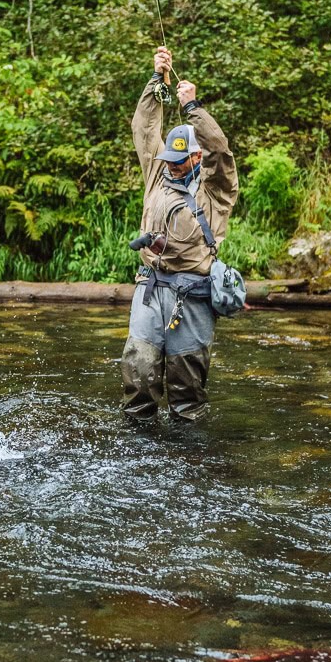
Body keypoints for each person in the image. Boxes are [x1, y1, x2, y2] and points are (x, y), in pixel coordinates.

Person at [121, 46, 239, 422]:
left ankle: (189, 458)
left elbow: (221, 150)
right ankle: (139, 449)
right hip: (151, 287)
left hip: (193, 295)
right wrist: (158, 82)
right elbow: (144, 128)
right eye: (166, 161)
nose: (169, 168)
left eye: (178, 161)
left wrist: (193, 109)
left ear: (196, 157)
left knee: (187, 390)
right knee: (138, 374)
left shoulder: (216, 190)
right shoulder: (158, 171)